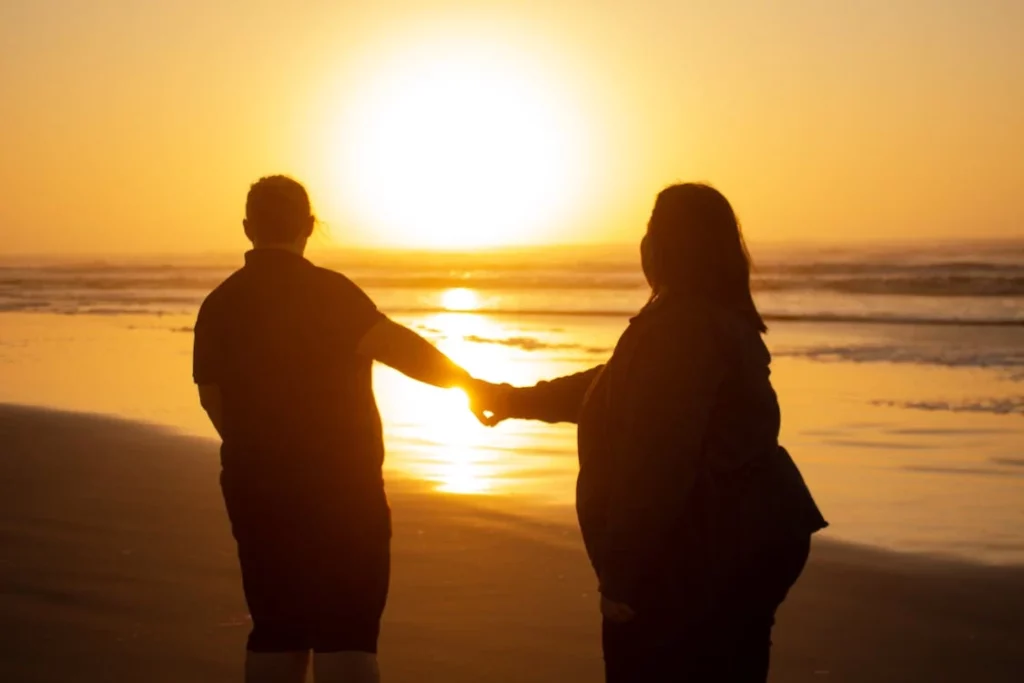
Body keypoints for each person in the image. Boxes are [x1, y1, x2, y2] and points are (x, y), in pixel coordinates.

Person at [474, 183, 828, 682]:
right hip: (753, 534)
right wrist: (514, 400)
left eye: (650, 230)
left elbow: (660, 459)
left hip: (710, 547)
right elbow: (614, 387)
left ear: (668, 246)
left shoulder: (681, 326)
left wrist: (623, 574)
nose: (643, 244)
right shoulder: (705, 316)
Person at [193, 175, 491, 683]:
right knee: (347, 629)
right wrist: (470, 386)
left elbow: (212, 399)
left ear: (248, 228)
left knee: (274, 623)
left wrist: (258, 446)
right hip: (343, 489)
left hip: (255, 485)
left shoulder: (219, 304)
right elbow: (402, 349)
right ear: (309, 227)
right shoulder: (331, 293)